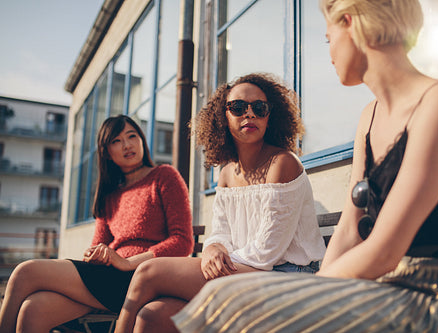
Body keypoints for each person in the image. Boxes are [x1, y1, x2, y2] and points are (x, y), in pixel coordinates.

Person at [171, 1, 438, 332]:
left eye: (329, 38)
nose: (329, 52)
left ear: (350, 22)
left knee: (234, 302)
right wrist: (313, 287)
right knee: (229, 299)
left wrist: (305, 291)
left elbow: (385, 249)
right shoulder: (369, 117)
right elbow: (349, 229)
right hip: (388, 285)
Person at [113, 73, 326, 333]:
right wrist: (213, 248)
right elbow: (221, 231)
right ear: (222, 117)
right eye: (238, 108)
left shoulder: (283, 163)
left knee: (148, 272)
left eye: (259, 108)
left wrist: (215, 258)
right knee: (152, 315)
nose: (249, 115)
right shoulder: (226, 173)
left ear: (271, 116)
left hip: (289, 278)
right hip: (245, 272)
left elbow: (266, 251)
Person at [0, 115, 194, 333]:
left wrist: (128, 263)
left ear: (142, 140)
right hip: (107, 281)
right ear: (107, 153)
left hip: (141, 279)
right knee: (33, 309)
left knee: (25, 272)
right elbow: (96, 247)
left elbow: (183, 241)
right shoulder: (109, 195)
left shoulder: (164, 176)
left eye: (132, 136)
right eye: (116, 141)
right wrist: (99, 255)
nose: (127, 145)